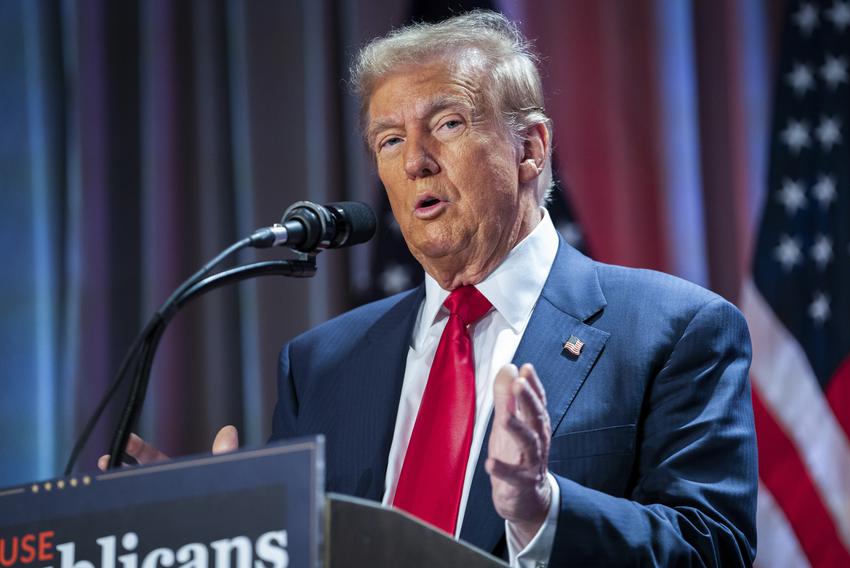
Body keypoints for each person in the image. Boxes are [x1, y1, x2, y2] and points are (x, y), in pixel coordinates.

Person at [107, 10, 757, 567]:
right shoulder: (322, 363)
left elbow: (714, 547)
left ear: (530, 148)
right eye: (389, 140)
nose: (415, 160)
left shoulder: (675, 329)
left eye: (446, 124)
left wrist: (541, 508)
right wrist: (218, 532)